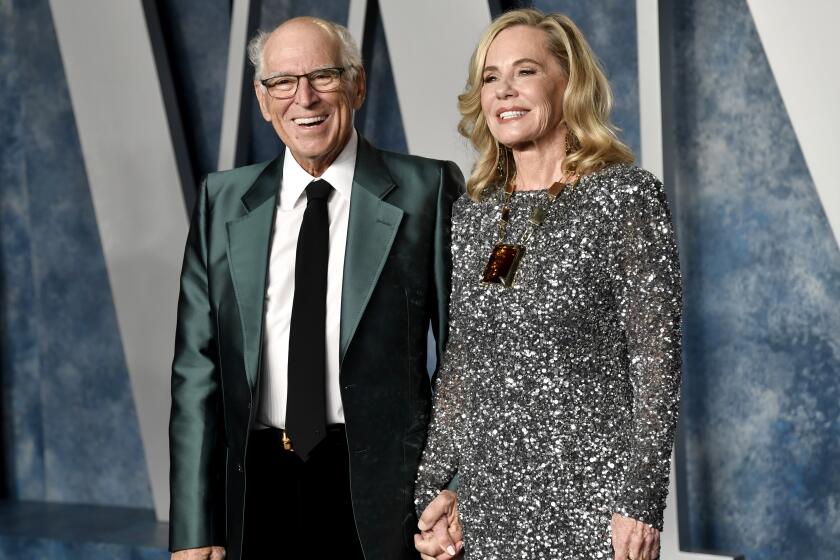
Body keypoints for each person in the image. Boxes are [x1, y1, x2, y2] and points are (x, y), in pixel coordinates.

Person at [169, 16, 464, 560]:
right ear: (262, 99)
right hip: (256, 486)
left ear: (357, 83)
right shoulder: (222, 201)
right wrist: (193, 524)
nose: (303, 97)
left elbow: (463, 358)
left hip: (386, 493)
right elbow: (196, 370)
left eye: (323, 75)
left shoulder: (428, 189)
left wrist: (456, 489)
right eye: (282, 81)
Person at [414, 9, 682, 560]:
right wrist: (432, 487)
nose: (504, 91)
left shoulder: (625, 199)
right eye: (491, 77)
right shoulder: (476, 212)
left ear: (569, 83)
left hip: (596, 507)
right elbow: (464, 364)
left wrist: (642, 500)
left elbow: (657, 365)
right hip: (489, 508)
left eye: (525, 72)